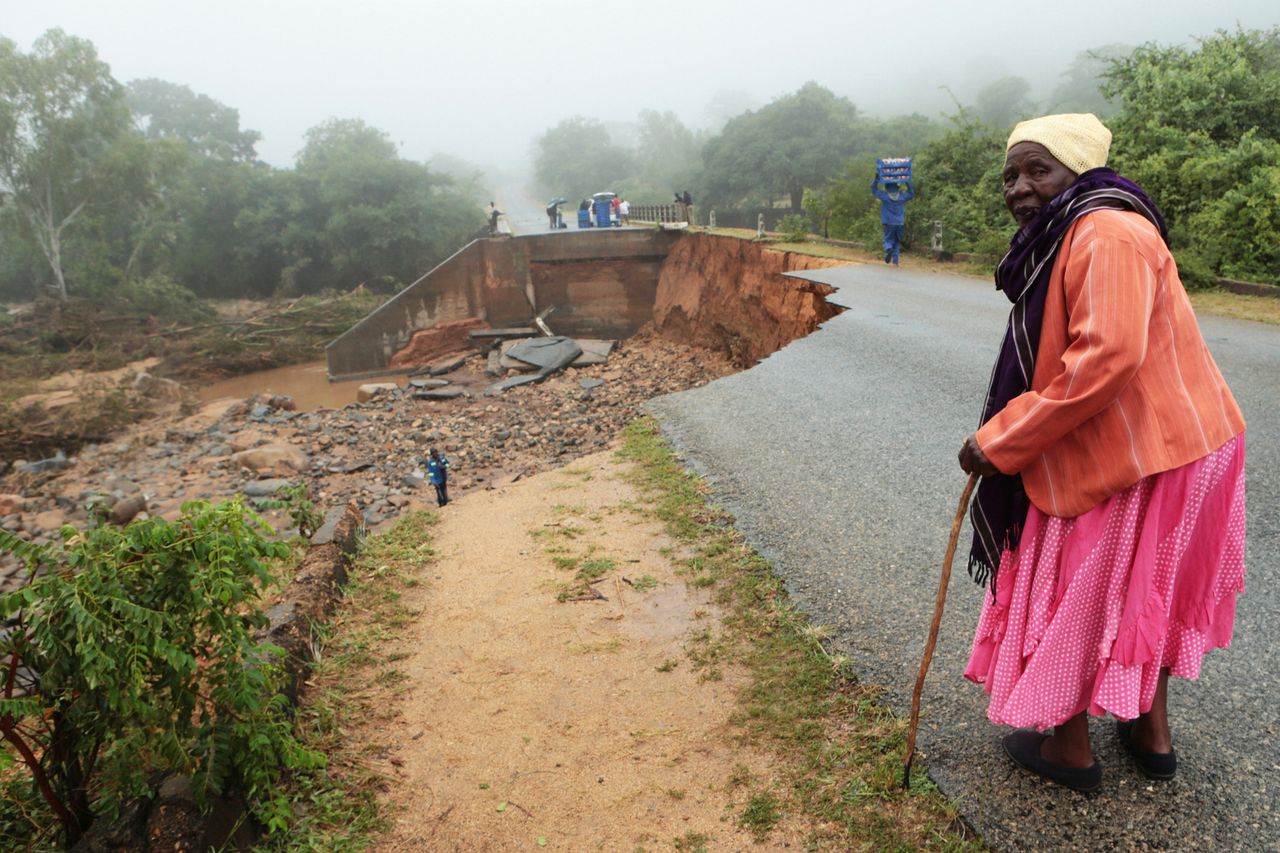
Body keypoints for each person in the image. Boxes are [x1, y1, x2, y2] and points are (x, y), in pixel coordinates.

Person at [957, 113, 1247, 793]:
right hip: (1179, 439)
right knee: (1146, 587)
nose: (1020, 187)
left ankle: (1069, 747)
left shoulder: (1105, 230)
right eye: (1011, 174)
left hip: (1149, 448)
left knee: (1080, 586)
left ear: (1077, 171)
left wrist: (1001, 439)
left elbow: (1105, 358)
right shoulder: (1081, 226)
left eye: (1038, 169)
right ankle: (1149, 731)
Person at [869, 178, 914, 265]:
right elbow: (911, 194)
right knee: (897, 241)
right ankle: (895, 262)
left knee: (888, 239)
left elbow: (873, 189)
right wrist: (907, 182)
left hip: (889, 222)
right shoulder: (902, 197)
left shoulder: (885, 196)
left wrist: (876, 179)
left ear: (886, 188)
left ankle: (889, 249)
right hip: (900, 223)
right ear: (897, 188)